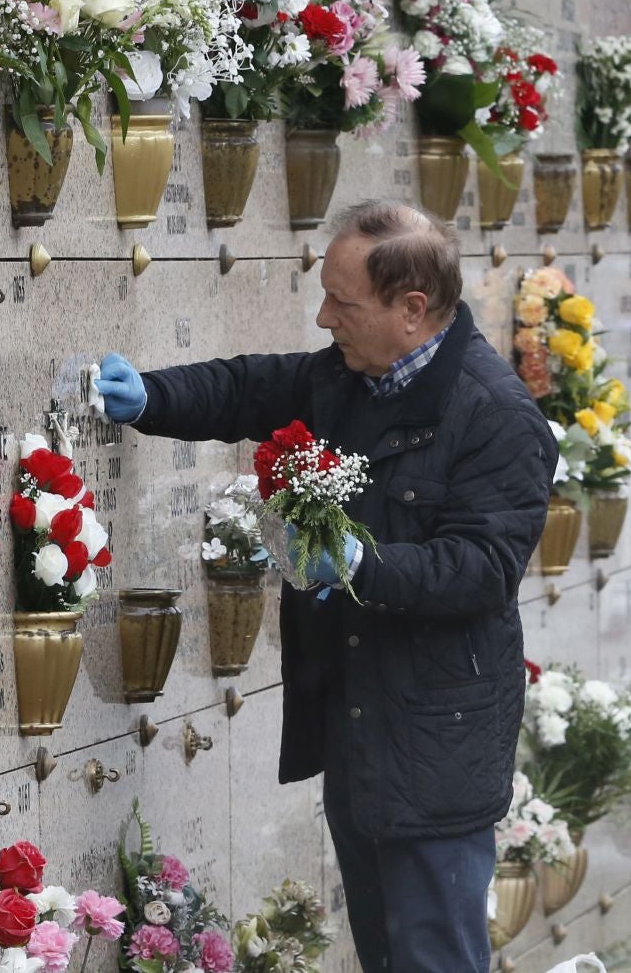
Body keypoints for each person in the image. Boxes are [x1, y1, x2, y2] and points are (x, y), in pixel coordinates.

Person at [94, 199, 556, 972]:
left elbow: (480, 569)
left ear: (411, 310)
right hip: (358, 723)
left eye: (342, 302)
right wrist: (151, 396)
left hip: (435, 742)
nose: (322, 318)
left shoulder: (494, 416)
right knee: (385, 956)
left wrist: (357, 563)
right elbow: (249, 390)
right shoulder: (355, 375)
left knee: (433, 956)